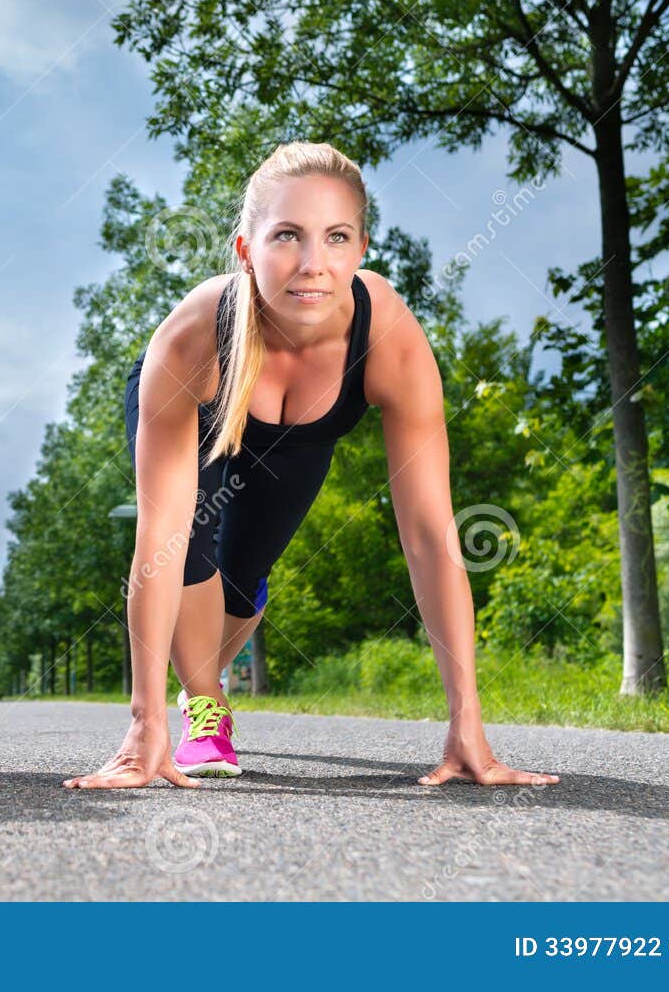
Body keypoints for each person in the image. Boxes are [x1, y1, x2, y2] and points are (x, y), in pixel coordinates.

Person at [64, 142, 561, 790]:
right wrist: (142, 722)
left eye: (335, 237)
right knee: (188, 543)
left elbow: (428, 537)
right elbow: (156, 541)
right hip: (202, 406)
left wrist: (467, 719)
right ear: (246, 249)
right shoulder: (190, 338)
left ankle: (207, 668)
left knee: (239, 583)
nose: (311, 265)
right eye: (287, 237)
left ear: (361, 249)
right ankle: (203, 706)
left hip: (300, 439)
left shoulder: (389, 340)